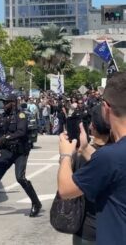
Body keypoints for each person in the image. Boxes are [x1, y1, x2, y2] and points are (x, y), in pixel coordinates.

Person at [57, 72, 126, 245]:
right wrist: (86, 149)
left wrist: (65, 155)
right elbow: (114, 170)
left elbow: (66, 190)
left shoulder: (110, 156)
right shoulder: (111, 157)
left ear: (106, 107)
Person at [72, 105, 111, 245]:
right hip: (116, 227)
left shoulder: (81, 157)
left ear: (92, 127)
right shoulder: (118, 153)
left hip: (88, 228)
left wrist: (65, 157)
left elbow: (66, 191)